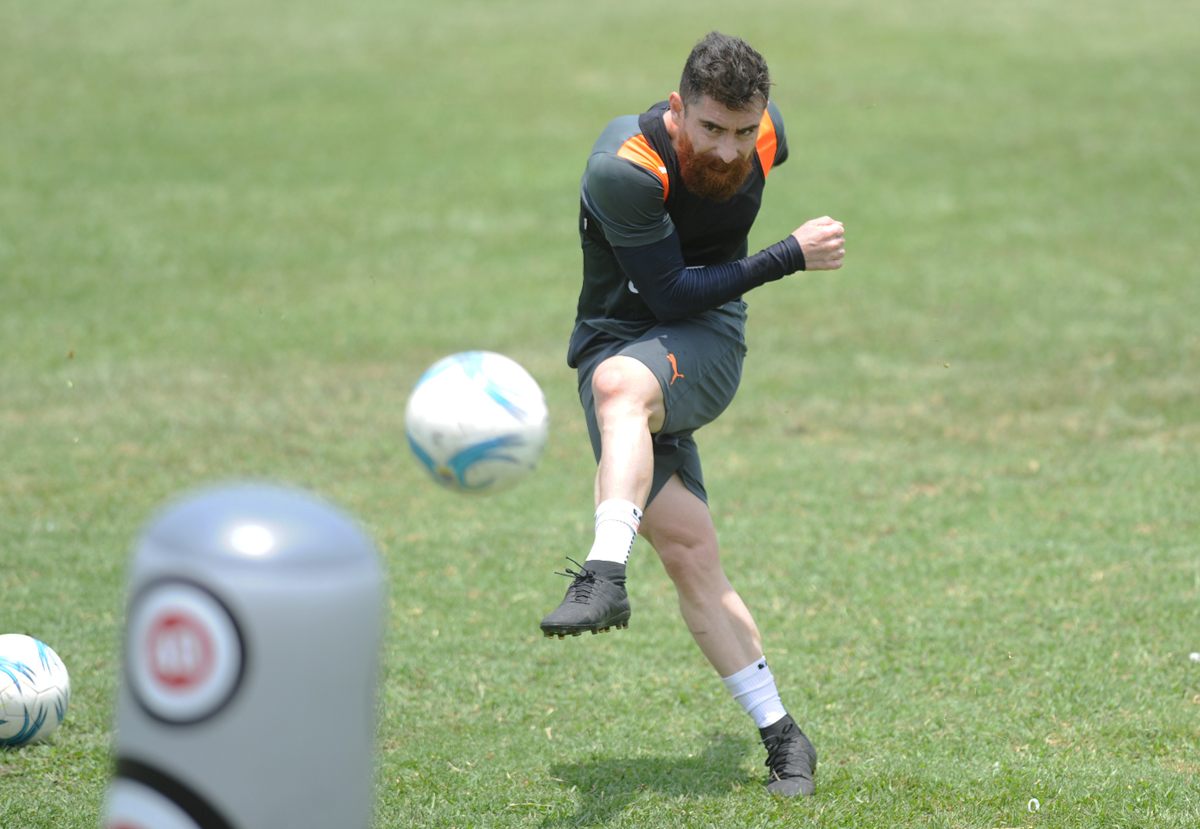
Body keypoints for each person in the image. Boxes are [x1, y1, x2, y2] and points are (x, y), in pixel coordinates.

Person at [539, 31, 845, 797]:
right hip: (629, 330)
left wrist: (754, 159)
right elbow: (668, 291)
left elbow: (690, 309)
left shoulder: (761, 135)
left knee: (619, 387)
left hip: (706, 342)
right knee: (689, 552)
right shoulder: (625, 171)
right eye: (711, 128)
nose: (729, 148)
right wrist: (789, 254)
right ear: (679, 110)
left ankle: (603, 572)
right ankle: (784, 735)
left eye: (745, 130)